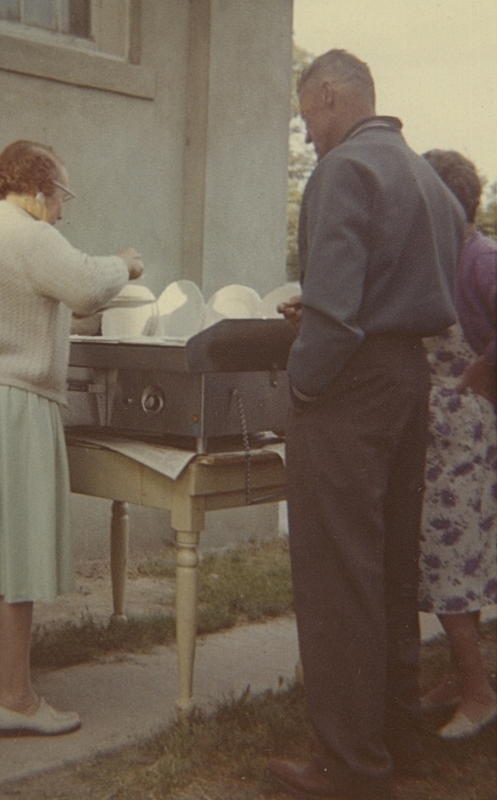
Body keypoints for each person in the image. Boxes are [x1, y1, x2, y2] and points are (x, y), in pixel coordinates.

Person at [268, 50, 464, 799]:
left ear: (330, 95)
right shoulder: (424, 176)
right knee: (388, 568)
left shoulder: (345, 170)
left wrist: (302, 387)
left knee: (337, 576)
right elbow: (402, 286)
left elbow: (341, 318)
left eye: (308, 116)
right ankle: (396, 740)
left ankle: (347, 765)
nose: (309, 133)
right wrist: (327, 308)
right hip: (407, 377)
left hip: (350, 386)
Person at [0, 140, 144, 737]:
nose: (64, 211)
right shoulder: (31, 233)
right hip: (9, 407)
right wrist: (126, 262)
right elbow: (91, 287)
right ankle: (16, 698)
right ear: (40, 190)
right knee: (11, 549)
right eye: (63, 195)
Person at [416, 149, 497, 740]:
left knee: (451, 566)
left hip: (467, 434)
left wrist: (486, 367)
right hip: (436, 435)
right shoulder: (439, 257)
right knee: (446, 559)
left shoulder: (480, 260)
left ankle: (478, 692)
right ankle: (456, 677)